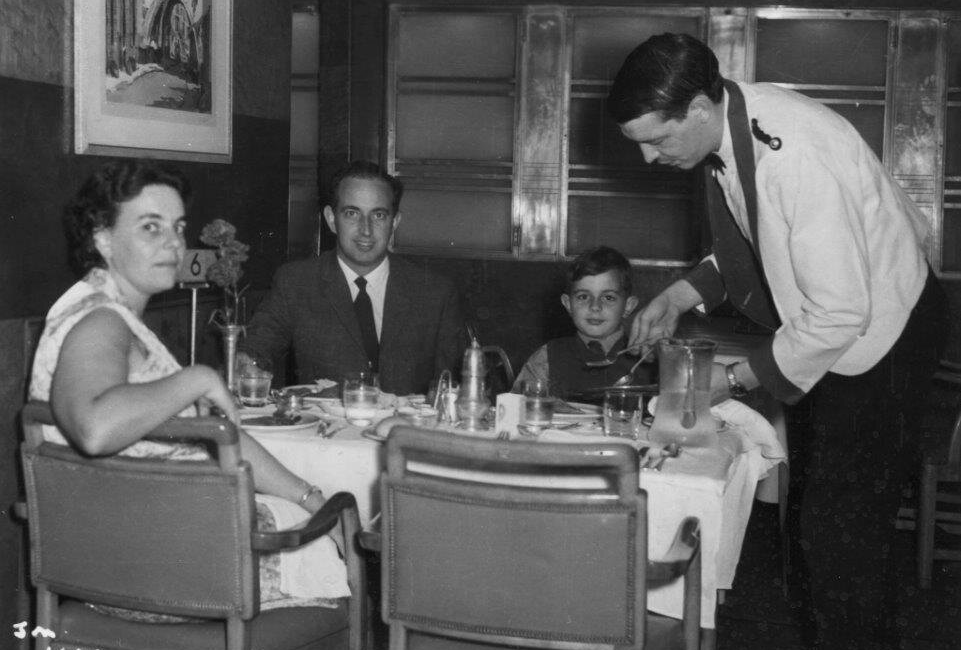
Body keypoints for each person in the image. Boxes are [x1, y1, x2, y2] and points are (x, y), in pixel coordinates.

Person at [607, 33, 948, 650]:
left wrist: (735, 379)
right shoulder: (733, 123)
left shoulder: (796, 159)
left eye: (657, 139)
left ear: (699, 109)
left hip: (886, 334)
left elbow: (840, 313)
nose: (649, 158)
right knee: (832, 528)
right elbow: (760, 239)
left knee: (839, 536)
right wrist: (681, 293)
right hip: (841, 321)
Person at [28, 159, 349, 620]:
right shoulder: (100, 322)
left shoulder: (100, 310)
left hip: (121, 560)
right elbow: (94, 428)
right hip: (161, 572)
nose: (174, 243)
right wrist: (195, 377)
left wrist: (308, 497)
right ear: (103, 239)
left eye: (178, 227)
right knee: (340, 552)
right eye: (150, 227)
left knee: (319, 517)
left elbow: (217, 433)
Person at [241, 161, 466, 394]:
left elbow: (457, 384)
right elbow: (256, 351)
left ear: (395, 222)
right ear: (331, 219)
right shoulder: (297, 283)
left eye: (378, 215)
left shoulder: (435, 293)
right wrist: (245, 366)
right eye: (352, 214)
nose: (365, 230)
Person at [513, 246, 652, 398]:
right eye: (583, 297)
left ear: (628, 306)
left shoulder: (649, 359)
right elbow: (517, 408)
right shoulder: (546, 358)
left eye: (608, 297)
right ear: (568, 304)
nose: (595, 307)